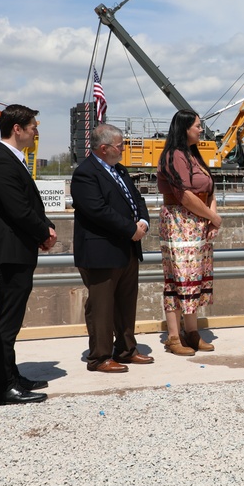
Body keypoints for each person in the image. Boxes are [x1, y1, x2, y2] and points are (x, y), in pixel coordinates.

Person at [0, 104, 54, 405]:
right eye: (33, 125)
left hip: (19, 250)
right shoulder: (1, 163)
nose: (37, 130)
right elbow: (18, 209)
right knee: (7, 323)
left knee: (12, 319)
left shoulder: (14, 160)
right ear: (17, 129)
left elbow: (27, 205)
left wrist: (43, 226)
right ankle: (3, 386)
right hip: (10, 253)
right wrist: (44, 232)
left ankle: (12, 377)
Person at [71, 123, 153, 372]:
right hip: (101, 252)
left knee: (126, 304)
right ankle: (99, 357)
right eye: (120, 145)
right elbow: (97, 210)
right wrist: (130, 229)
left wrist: (143, 221)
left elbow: (136, 199)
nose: (124, 149)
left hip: (126, 250)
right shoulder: (86, 173)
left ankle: (126, 349)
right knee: (102, 307)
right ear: (104, 148)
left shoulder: (120, 170)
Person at [157, 109, 220, 356]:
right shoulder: (173, 156)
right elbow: (183, 195)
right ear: (184, 128)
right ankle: (174, 337)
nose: (201, 129)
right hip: (180, 223)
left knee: (195, 278)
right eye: (197, 125)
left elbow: (210, 189)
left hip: (199, 223)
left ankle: (192, 333)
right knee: (179, 278)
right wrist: (213, 217)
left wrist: (211, 220)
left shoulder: (192, 155)